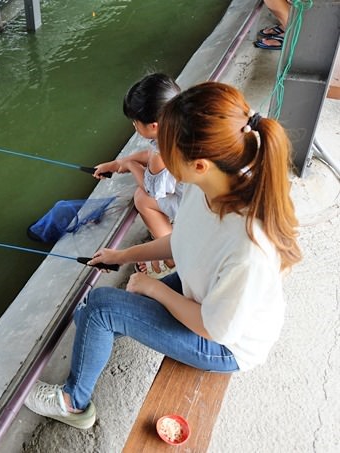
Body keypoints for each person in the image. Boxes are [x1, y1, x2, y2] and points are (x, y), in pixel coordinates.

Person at [23, 82, 302, 429]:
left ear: (198, 164)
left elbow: (214, 329)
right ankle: (100, 325)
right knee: (104, 309)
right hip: (200, 293)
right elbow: (182, 241)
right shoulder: (210, 186)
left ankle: (72, 402)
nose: (160, 159)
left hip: (226, 344)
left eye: (167, 151)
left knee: (100, 306)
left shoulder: (249, 249)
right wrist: (121, 255)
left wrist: (153, 288)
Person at [93, 73, 182, 277]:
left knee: (142, 199)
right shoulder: (179, 124)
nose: (134, 125)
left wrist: (132, 165)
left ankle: (171, 255)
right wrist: (117, 164)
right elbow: (150, 154)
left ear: (153, 126)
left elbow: (152, 189)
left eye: (135, 121)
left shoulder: (163, 154)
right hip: (203, 194)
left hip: (196, 206)